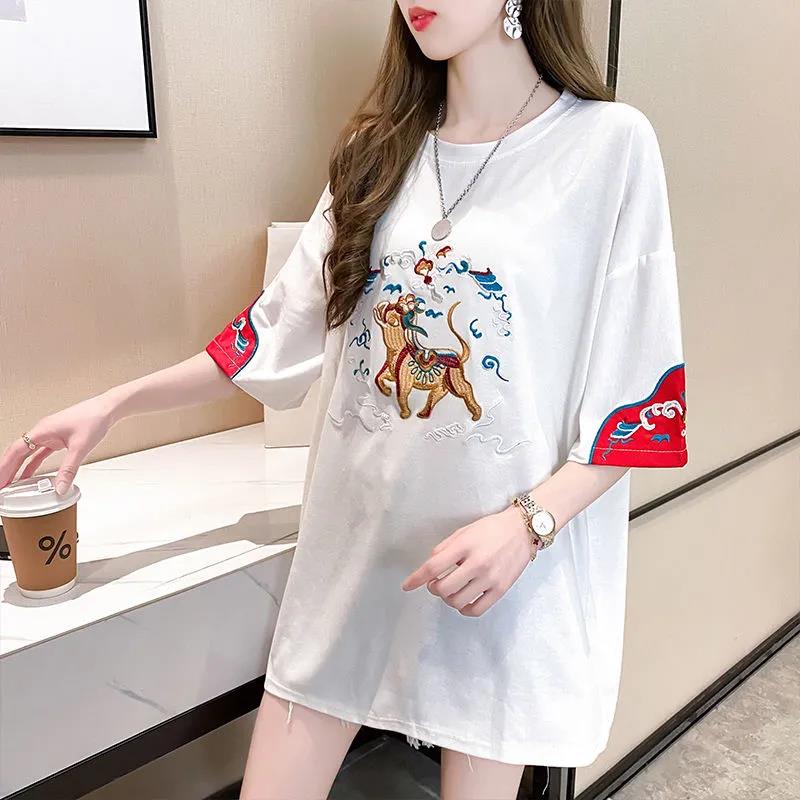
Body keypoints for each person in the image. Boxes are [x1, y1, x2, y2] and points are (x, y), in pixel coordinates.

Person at [0, 2, 690, 798]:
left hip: (496, 577)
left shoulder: (607, 147)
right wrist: (114, 404)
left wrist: (528, 525)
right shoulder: (375, 151)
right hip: (353, 562)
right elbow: (272, 333)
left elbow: (639, 399)